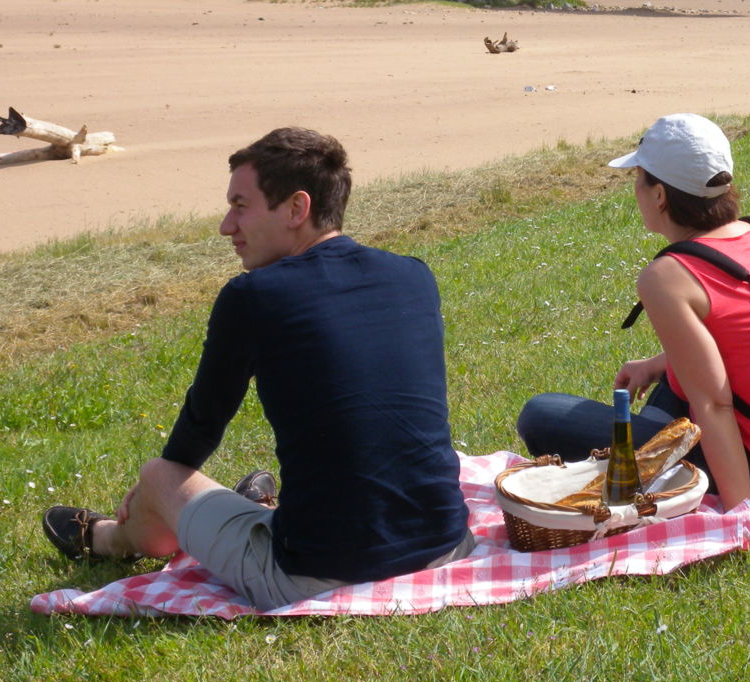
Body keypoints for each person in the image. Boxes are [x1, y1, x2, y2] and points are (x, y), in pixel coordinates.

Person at [41, 127, 473, 610]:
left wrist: (151, 493)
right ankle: (247, 511)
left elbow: (201, 427)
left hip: (316, 572)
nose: (227, 226)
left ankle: (104, 538)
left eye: (240, 206)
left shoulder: (254, 297)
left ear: (296, 209)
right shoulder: (413, 274)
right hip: (446, 543)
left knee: (160, 474)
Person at [517, 113, 750, 511]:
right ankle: (654, 451)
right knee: (675, 378)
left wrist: (740, 513)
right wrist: (659, 363)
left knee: (542, 415)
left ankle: (653, 469)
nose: (636, 190)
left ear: (660, 195)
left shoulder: (668, 276)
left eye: (639, 178)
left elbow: (715, 404)